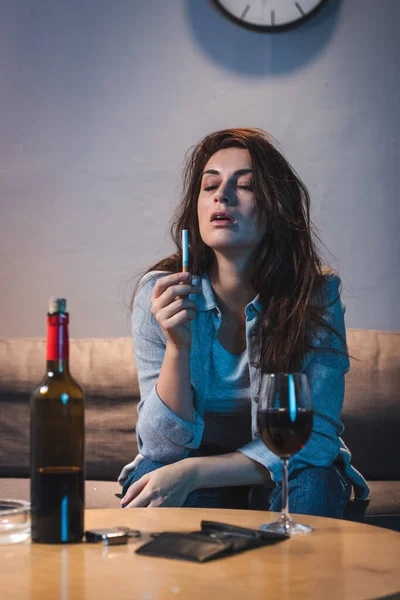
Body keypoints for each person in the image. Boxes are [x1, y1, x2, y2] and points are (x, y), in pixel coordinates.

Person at [118, 128, 369, 516]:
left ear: (276, 207)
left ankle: (294, 578)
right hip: (190, 458)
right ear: (197, 207)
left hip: (286, 469)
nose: (222, 195)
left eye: (246, 185)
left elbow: (314, 440)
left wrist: (197, 472)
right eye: (210, 185)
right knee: (152, 479)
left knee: (314, 485)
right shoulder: (160, 294)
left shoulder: (315, 294)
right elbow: (160, 448)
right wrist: (178, 346)